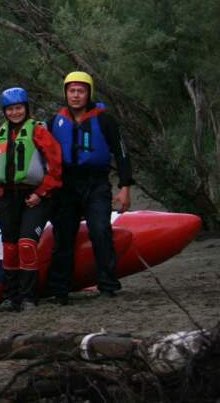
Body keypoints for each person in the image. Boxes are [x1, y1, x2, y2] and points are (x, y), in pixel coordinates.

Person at [46, 72, 133, 303]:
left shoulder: (105, 120)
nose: (75, 95)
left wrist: (125, 187)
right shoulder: (54, 121)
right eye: (71, 91)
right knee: (63, 236)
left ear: (89, 93)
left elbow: (122, 155)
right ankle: (59, 290)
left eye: (80, 91)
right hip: (65, 185)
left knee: (100, 230)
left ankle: (107, 285)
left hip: (96, 183)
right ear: (66, 93)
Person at [0, 87, 62, 311]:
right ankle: (9, 296)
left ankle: (28, 296)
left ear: (26, 109)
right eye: (10, 109)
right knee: (10, 246)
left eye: (19, 108)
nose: (15, 113)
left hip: (34, 195)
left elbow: (55, 167)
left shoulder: (38, 131)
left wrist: (41, 192)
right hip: (7, 196)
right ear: (4, 112)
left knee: (26, 243)